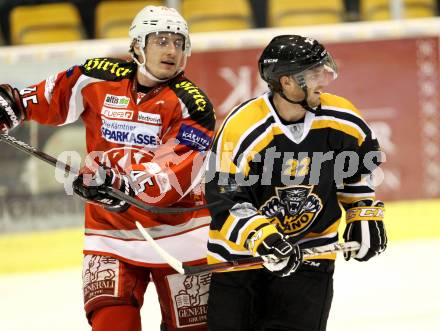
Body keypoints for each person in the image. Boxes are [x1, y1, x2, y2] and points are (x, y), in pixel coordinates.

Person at [0, 5, 215, 331]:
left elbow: (175, 169)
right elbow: (44, 98)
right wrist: (10, 107)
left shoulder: (194, 104)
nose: (172, 50)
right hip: (110, 235)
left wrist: (120, 182)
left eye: (179, 42)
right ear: (138, 45)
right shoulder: (95, 76)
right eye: (161, 40)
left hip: (181, 238)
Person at [204, 35, 387, 331]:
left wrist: (362, 210)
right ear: (286, 82)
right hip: (241, 260)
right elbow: (224, 199)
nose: (323, 81)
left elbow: (358, 169)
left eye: (322, 70)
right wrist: (262, 238)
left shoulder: (343, 118)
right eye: (313, 73)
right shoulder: (242, 127)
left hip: (311, 255)